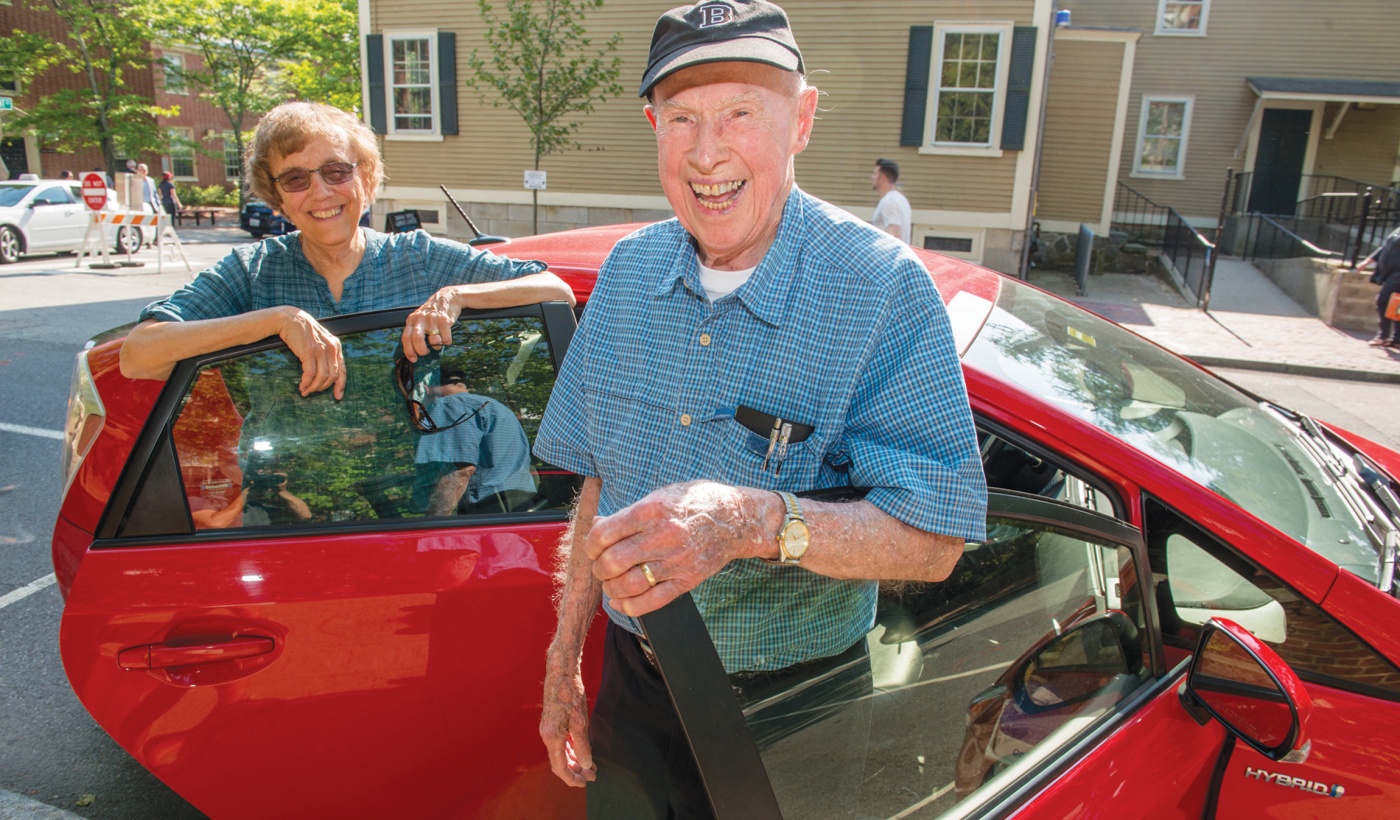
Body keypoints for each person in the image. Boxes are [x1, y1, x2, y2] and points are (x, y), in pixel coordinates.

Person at [533, 2, 986, 817]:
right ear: (653, 126)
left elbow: (935, 542)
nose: (708, 154)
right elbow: (599, 481)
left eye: (740, 112)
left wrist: (751, 521)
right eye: (682, 119)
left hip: (792, 708)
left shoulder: (881, 290)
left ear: (801, 119)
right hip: (632, 686)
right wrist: (566, 655)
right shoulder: (627, 275)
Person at [120, 101, 575, 397]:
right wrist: (278, 320)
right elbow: (137, 355)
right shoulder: (251, 271)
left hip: (421, 505)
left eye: (336, 171)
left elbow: (555, 290)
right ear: (276, 196)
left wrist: (454, 296)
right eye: (296, 178)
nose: (320, 192)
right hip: (282, 511)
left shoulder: (418, 257)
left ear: (367, 179)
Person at [413, 365, 538, 516]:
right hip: (521, 503)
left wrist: (432, 523)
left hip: (488, 508)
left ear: (424, 388)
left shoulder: (448, 405)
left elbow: (461, 471)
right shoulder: (495, 406)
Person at [1360, 227, 1400, 348]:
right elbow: (1385, 248)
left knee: (1383, 301)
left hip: (1397, 274)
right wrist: (1367, 261)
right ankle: (1396, 339)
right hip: (1390, 272)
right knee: (1396, 305)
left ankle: (1384, 336)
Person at [870, 157, 912, 244]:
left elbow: (894, 234)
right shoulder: (901, 199)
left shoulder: (889, 201)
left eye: (875, 174)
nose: (871, 177)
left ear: (882, 178)